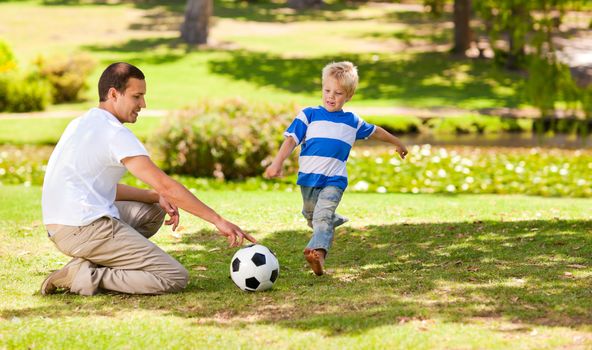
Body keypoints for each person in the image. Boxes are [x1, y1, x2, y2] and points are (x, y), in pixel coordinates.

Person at [41, 62, 256, 296]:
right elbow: (166, 185)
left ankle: (90, 263)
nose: (143, 104)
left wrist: (156, 196)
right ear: (114, 94)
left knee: (153, 209)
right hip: (82, 228)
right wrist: (218, 220)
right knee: (173, 277)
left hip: (63, 225)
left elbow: (98, 188)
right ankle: (86, 276)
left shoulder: (83, 123)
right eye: (137, 96)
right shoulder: (114, 133)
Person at [264, 61, 408, 276]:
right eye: (327, 90)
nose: (331, 97)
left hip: (334, 180)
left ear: (348, 96)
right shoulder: (309, 115)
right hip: (308, 180)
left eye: (338, 93)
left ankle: (318, 255)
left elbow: (376, 132)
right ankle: (333, 220)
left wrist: (398, 142)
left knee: (321, 217)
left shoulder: (352, 122)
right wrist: (277, 162)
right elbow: (291, 141)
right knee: (312, 216)